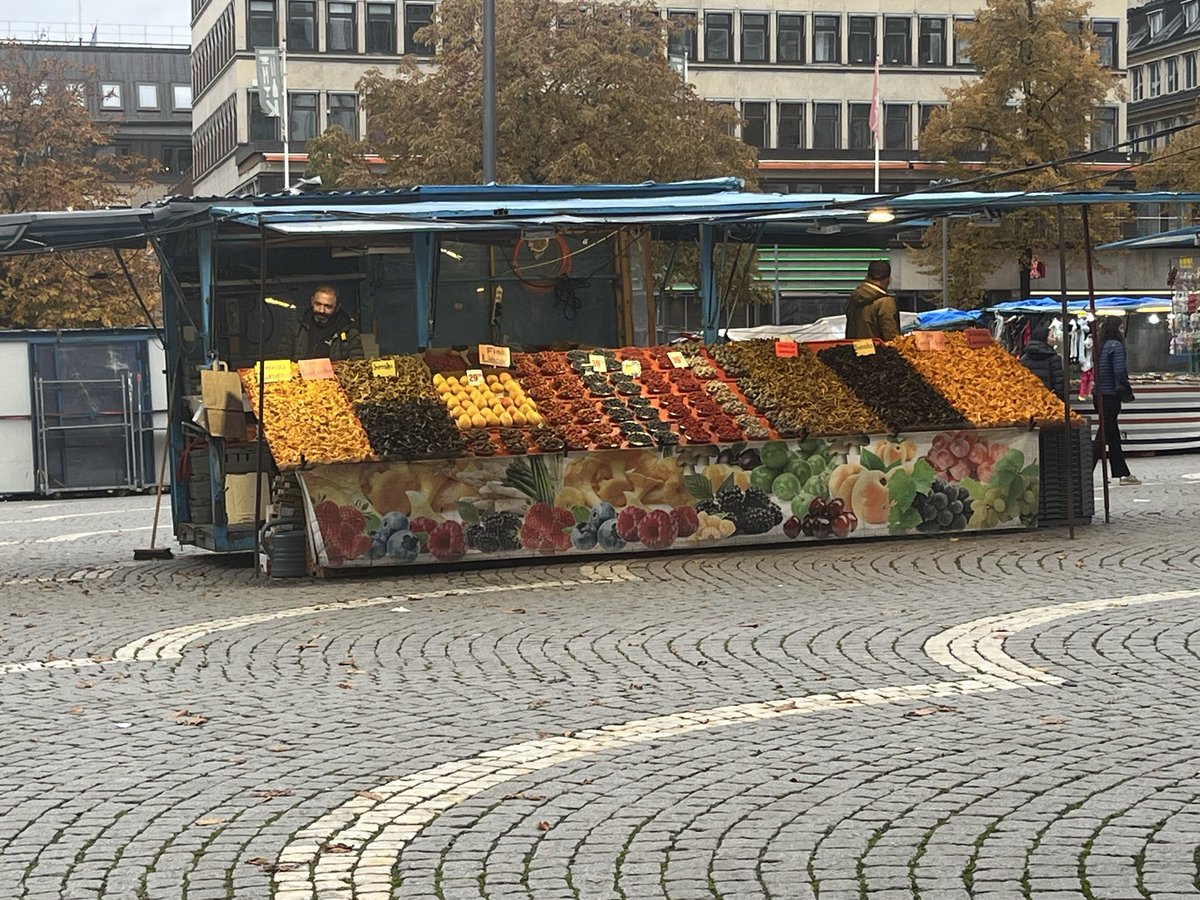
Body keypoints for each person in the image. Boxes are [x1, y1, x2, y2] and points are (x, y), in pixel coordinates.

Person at [1092, 315, 1139, 486]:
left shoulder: (1101, 346)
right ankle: (1084, 470)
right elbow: (1119, 371)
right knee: (1104, 435)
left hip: (1099, 395)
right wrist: (1125, 388)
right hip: (1110, 395)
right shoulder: (1116, 346)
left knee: (1110, 434)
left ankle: (1122, 473)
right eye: (1120, 328)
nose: (1122, 331)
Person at [287, 284, 363, 361]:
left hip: (337, 372)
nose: (321, 310)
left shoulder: (349, 332)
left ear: (337, 307)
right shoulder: (297, 328)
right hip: (299, 372)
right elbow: (282, 361)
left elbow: (357, 364)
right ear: (312, 301)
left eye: (328, 306)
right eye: (318, 304)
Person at [845, 260, 900, 341]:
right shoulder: (885, 302)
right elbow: (890, 336)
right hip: (877, 352)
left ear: (867, 277)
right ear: (889, 279)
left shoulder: (854, 297)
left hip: (853, 350)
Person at [1019, 323, 1065, 395]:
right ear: (1044, 339)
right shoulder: (1054, 359)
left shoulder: (1024, 359)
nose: (1054, 339)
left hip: (1029, 399)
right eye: (1052, 336)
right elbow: (1059, 384)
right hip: (1048, 400)